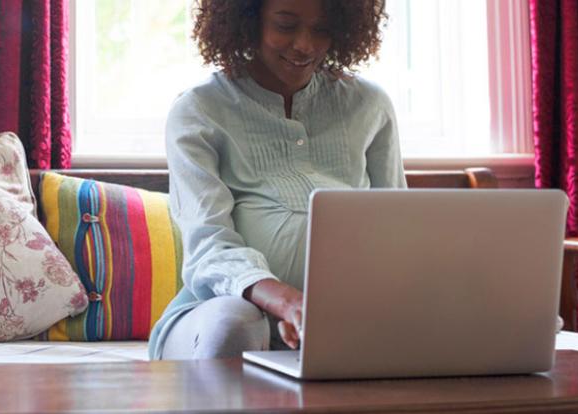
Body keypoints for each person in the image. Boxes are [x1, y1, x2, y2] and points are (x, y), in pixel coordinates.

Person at [148, 0, 407, 360]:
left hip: (336, 317)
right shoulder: (199, 110)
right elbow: (208, 246)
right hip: (216, 314)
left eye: (322, 29)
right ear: (248, 21)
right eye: (286, 25)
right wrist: (287, 301)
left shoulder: (369, 104)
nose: (305, 44)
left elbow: (399, 228)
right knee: (233, 323)